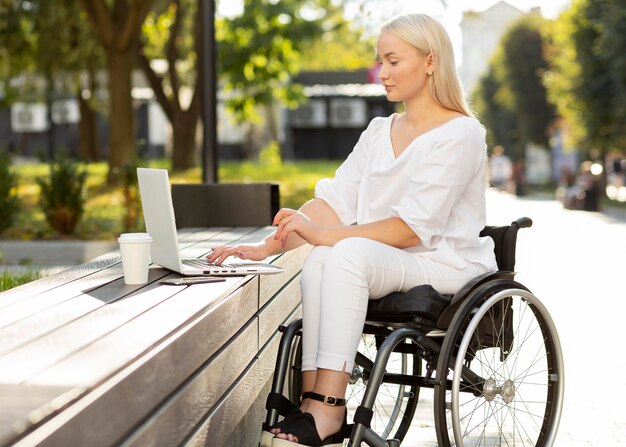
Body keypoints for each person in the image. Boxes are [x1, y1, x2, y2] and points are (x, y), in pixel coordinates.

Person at [208, 13, 497, 447]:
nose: (382, 73)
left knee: (343, 252)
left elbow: (410, 230)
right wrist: (269, 245)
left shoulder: (460, 134)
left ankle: (329, 406)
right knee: (326, 254)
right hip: (386, 261)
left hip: (443, 263)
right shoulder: (380, 131)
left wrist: (327, 235)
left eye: (394, 61)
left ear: (430, 61)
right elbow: (333, 202)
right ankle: (311, 404)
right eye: (380, 61)